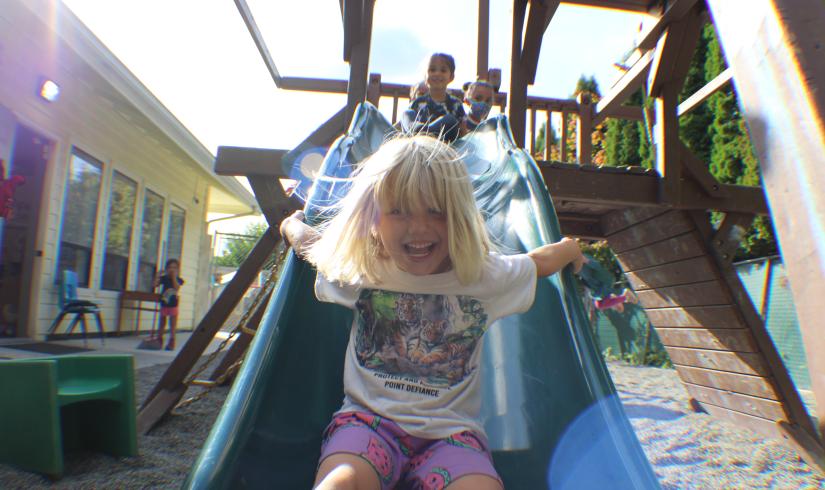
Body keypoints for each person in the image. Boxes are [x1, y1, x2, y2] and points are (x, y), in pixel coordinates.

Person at [280, 135, 585, 490]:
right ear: (372, 218)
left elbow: (538, 263)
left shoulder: (479, 276)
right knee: (340, 484)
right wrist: (290, 224)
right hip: (367, 425)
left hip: (451, 436)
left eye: (435, 211)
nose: (419, 228)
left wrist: (568, 248)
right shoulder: (364, 270)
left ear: (459, 215)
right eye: (398, 210)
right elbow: (311, 244)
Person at [401, 53, 466, 142]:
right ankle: (422, 133)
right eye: (432, 70)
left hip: (443, 142)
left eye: (443, 70)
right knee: (407, 113)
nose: (437, 73)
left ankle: (425, 134)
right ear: (425, 76)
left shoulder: (455, 104)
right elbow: (406, 121)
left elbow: (462, 129)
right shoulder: (419, 102)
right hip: (420, 142)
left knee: (450, 120)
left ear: (451, 77)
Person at [154, 258, 184, 350]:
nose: (172, 269)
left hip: (173, 304)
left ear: (177, 270)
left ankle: (172, 340)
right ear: (166, 269)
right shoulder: (164, 278)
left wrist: (174, 277)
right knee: (162, 323)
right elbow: (155, 285)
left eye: (174, 268)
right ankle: (159, 339)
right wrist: (157, 275)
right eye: (170, 267)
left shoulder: (178, 279)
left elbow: (176, 288)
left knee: (172, 324)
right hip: (164, 303)